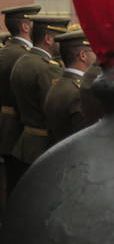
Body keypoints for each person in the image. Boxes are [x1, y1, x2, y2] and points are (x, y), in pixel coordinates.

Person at [10, 14, 69, 167]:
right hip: (43, 146)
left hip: (26, 141)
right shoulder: (47, 67)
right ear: (49, 39)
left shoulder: (24, 59)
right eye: (60, 39)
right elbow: (54, 110)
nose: (62, 45)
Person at [0, 4, 40, 203]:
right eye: (34, 22)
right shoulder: (23, 56)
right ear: (25, 26)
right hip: (18, 126)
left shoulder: (7, 51)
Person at [44, 30, 97, 144]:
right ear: (83, 55)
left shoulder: (59, 83)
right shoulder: (79, 92)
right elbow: (85, 138)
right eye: (94, 51)